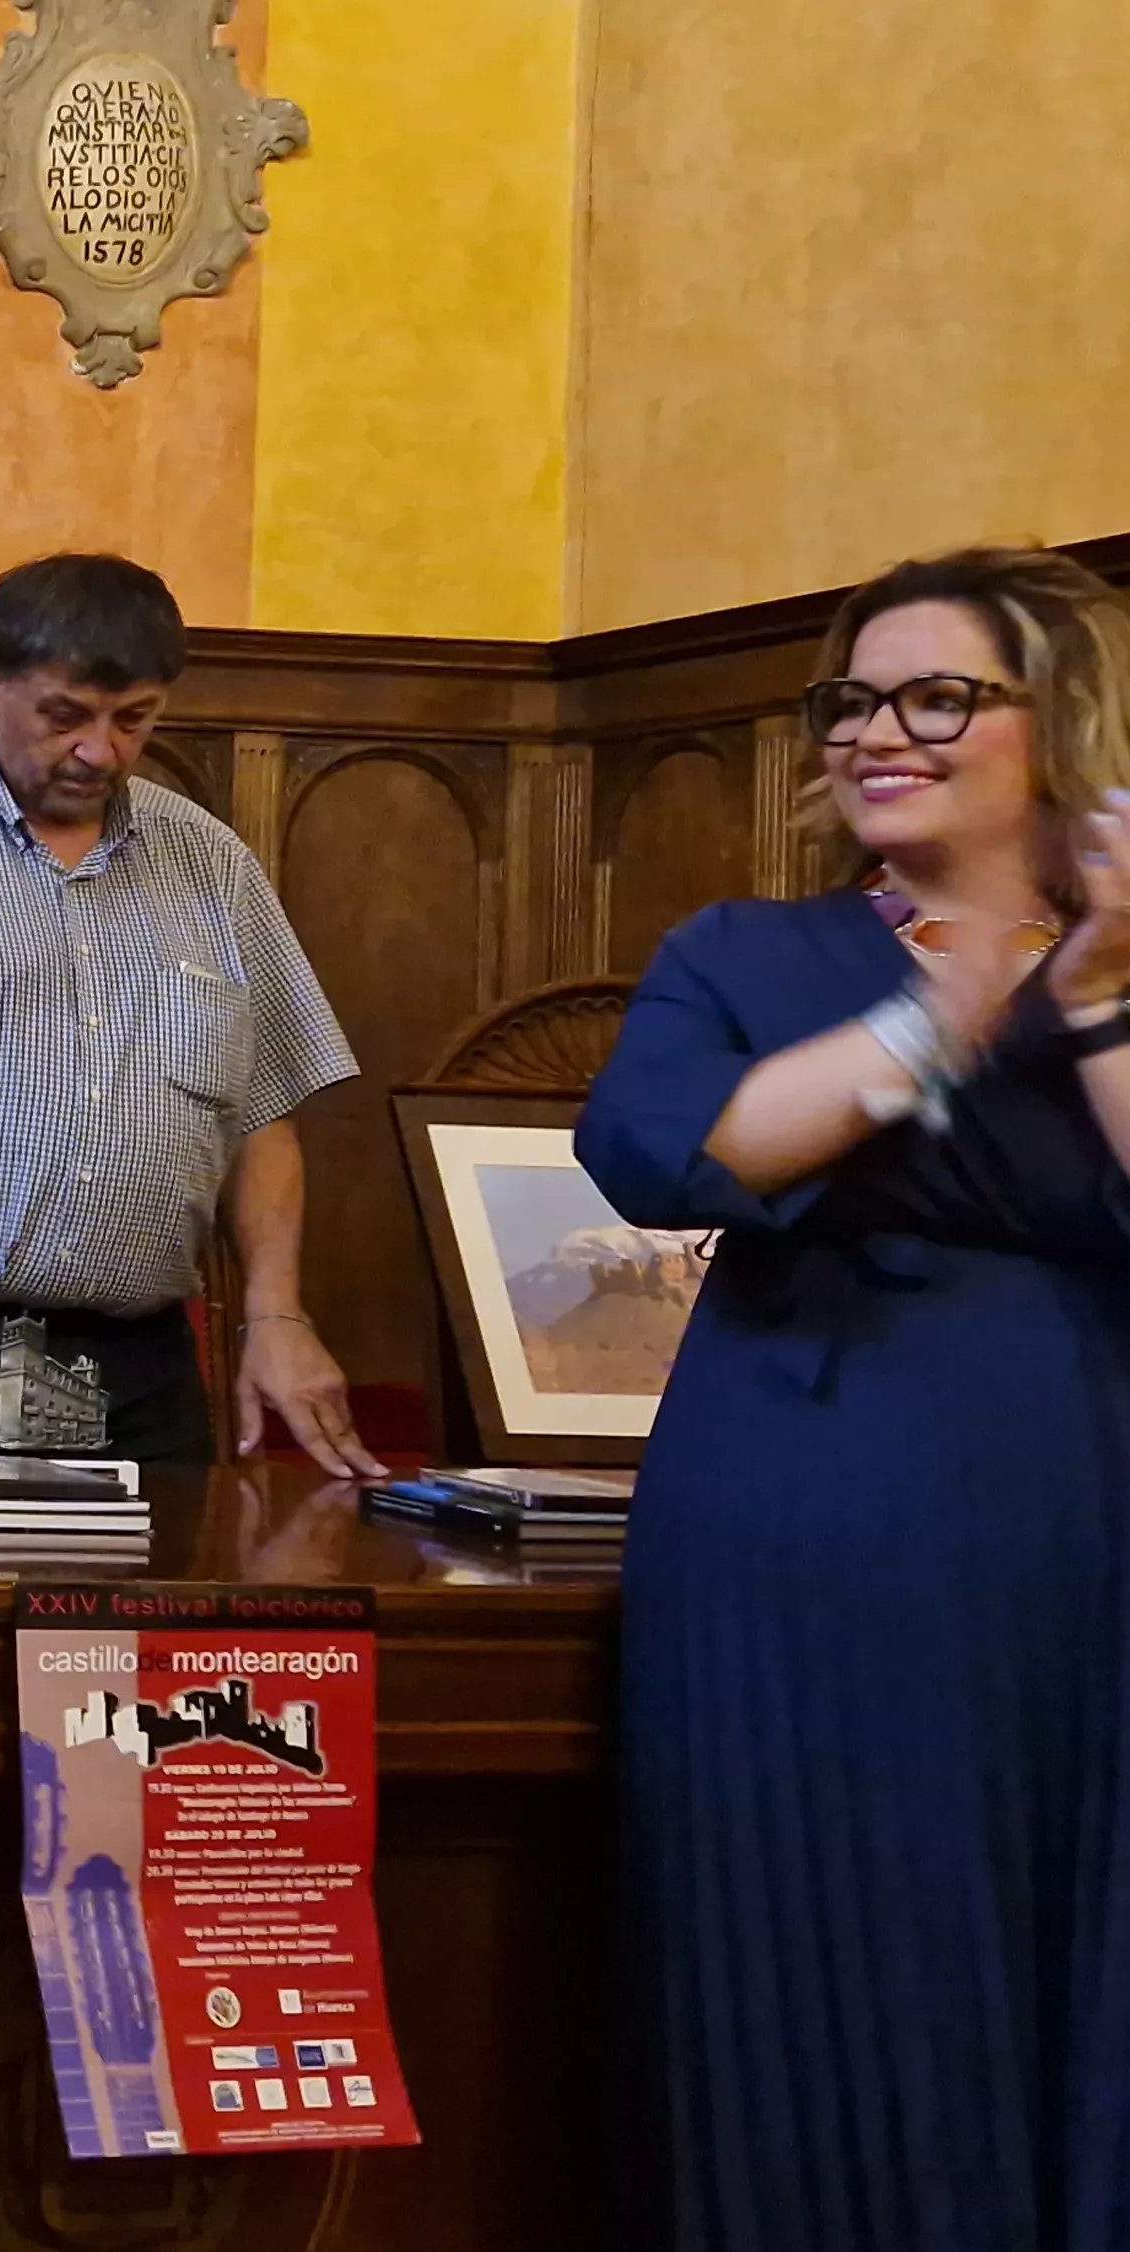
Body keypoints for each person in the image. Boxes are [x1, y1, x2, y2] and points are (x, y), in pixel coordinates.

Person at [574, 545, 1130, 2252]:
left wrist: (1095, 989)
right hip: (800, 1533)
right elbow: (671, 1146)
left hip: (1075, 1541)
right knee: (824, 1949)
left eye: (937, 695)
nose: (879, 731)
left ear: (1062, 724)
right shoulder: (750, 947)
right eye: (853, 700)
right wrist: (936, 1017)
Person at [0, 553, 381, 1475]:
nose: (102, 751)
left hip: (149, 1366)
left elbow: (264, 1109)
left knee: (143, 1623)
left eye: (135, 720)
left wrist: (278, 1311)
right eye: (65, 716)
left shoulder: (213, 865)